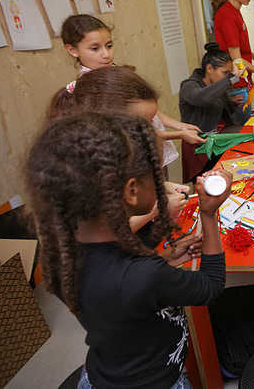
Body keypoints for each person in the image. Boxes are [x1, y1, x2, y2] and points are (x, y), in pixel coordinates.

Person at [24, 112, 230, 388]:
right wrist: (208, 214)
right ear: (132, 190)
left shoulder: (60, 250)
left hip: (105, 372)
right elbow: (211, 286)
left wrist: (164, 257)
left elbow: (113, 295)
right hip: (157, 381)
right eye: (156, 175)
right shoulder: (144, 276)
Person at [49, 66, 194, 233]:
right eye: (141, 124)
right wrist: (158, 209)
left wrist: (160, 187)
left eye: (151, 122)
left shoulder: (118, 152)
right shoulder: (82, 168)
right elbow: (106, 233)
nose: (149, 131)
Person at [57, 14, 204, 167]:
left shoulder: (113, 71)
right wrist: (179, 134)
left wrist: (178, 125)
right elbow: (132, 133)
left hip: (155, 146)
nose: (106, 55)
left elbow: (148, 109)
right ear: (73, 50)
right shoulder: (95, 90)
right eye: (95, 48)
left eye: (109, 46)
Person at [179, 43, 249, 182]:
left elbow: (221, 108)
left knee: (246, 133)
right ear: (209, 68)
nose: (226, 77)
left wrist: (232, 102)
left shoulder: (216, 84)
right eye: (225, 73)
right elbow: (202, 97)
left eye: (229, 73)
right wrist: (231, 79)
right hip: (198, 144)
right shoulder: (189, 86)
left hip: (214, 139)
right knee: (204, 183)